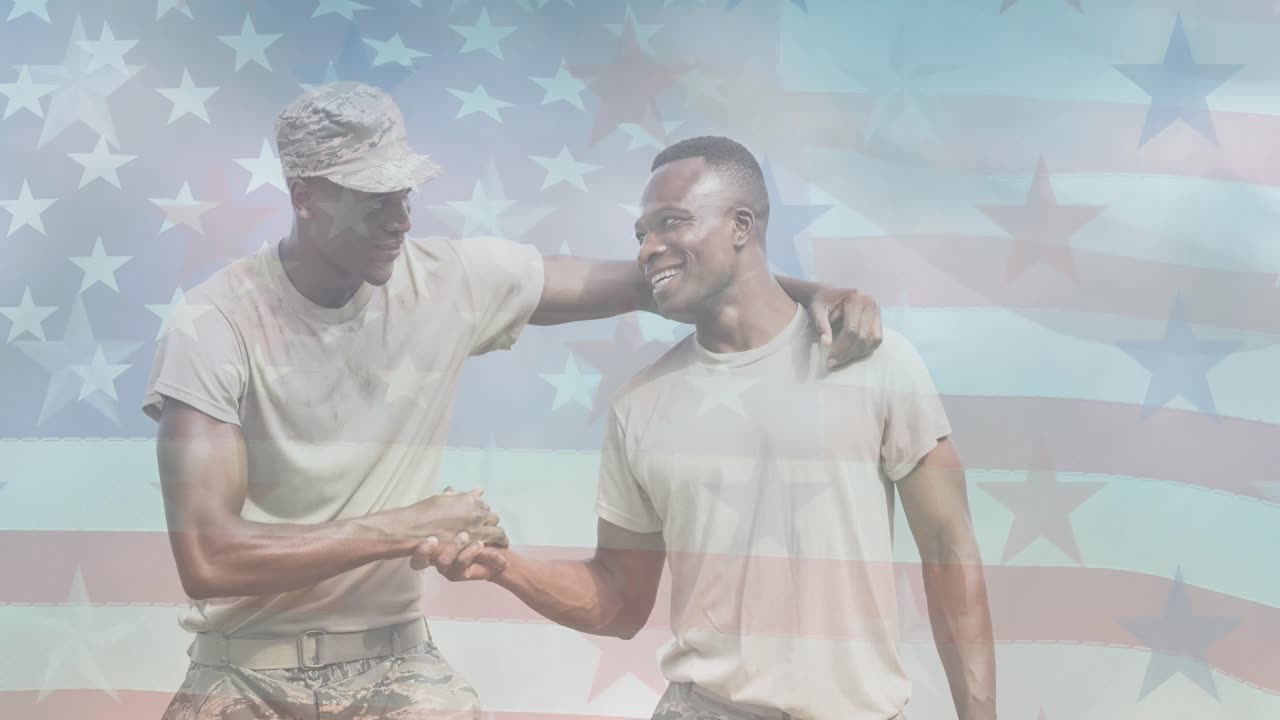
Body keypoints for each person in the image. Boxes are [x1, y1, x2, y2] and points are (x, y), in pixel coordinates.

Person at [143, 84, 883, 720]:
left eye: (403, 192)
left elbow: (658, 279)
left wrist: (817, 293)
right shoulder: (215, 324)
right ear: (304, 197)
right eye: (372, 199)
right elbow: (209, 556)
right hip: (241, 665)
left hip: (393, 663)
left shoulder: (448, 281)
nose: (400, 217)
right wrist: (405, 528)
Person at [420, 136, 996, 720]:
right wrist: (504, 566)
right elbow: (619, 600)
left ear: (741, 225)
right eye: (641, 234)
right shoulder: (638, 407)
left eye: (671, 223)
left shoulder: (873, 360)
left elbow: (950, 551)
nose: (649, 249)